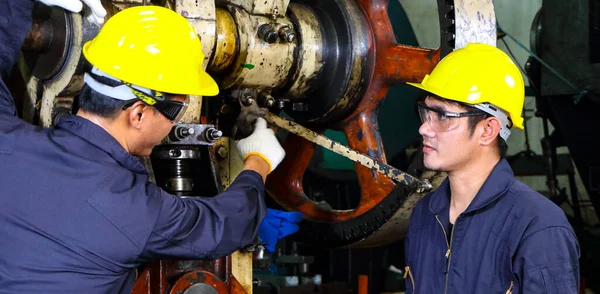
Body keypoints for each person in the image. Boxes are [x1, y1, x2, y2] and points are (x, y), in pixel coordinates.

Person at [0, 1, 299, 293]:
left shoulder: (8, 142)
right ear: (138, 113)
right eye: (177, 113)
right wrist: (259, 160)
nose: (174, 125)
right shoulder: (135, 211)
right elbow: (226, 225)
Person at [403, 43, 580, 293]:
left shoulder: (538, 227)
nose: (424, 129)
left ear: (488, 130)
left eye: (442, 116)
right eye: (426, 113)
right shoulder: (424, 214)